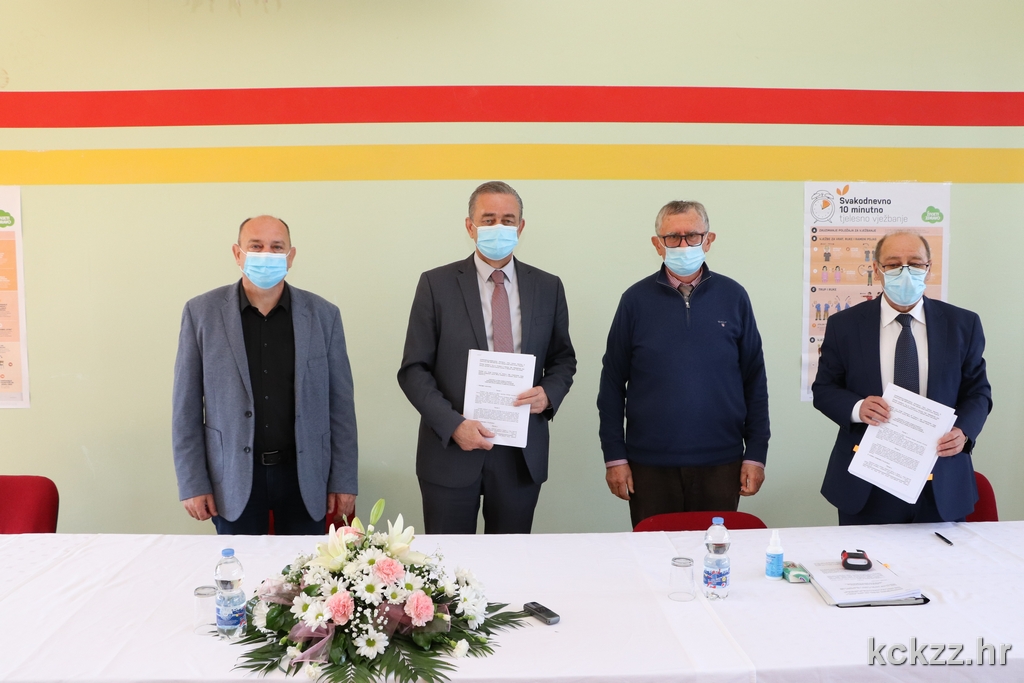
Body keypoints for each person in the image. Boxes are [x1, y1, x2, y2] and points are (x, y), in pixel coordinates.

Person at [397, 181, 576, 534]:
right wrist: (453, 425)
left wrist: (549, 394)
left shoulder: (548, 287)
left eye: (508, 220)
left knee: (510, 561)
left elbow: (562, 359)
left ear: (520, 227)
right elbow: (414, 369)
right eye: (488, 219)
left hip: (520, 455)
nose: (498, 227)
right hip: (450, 451)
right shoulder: (436, 284)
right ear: (470, 226)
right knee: (447, 562)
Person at [172, 215, 358, 535]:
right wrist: (192, 482)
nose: (266, 255)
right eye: (256, 246)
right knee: (239, 566)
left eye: (276, 247)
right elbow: (185, 407)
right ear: (237, 253)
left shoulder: (323, 315)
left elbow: (340, 406)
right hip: (232, 478)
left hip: (304, 477)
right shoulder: (201, 313)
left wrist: (344, 479)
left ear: (291, 256)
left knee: (305, 567)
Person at [598, 200, 770, 529]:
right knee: (654, 554)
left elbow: (754, 381)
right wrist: (615, 457)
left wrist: (756, 454)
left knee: (716, 554)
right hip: (649, 464)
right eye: (672, 237)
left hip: (722, 462)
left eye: (692, 236)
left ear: (709, 240)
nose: (683, 245)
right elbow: (612, 384)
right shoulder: (634, 301)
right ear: (657, 244)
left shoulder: (734, 296)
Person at [812, 231, 991, 525]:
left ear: (929, 268)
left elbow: (978, 392)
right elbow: (824, 389)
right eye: (893, 264)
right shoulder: (844, 325)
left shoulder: (962, 324)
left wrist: (964, 431)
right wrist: (857, 408)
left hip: (941, 479)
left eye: (915, 263)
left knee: (942, 557)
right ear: (876, 270)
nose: (905, 272)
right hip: (867, 481)